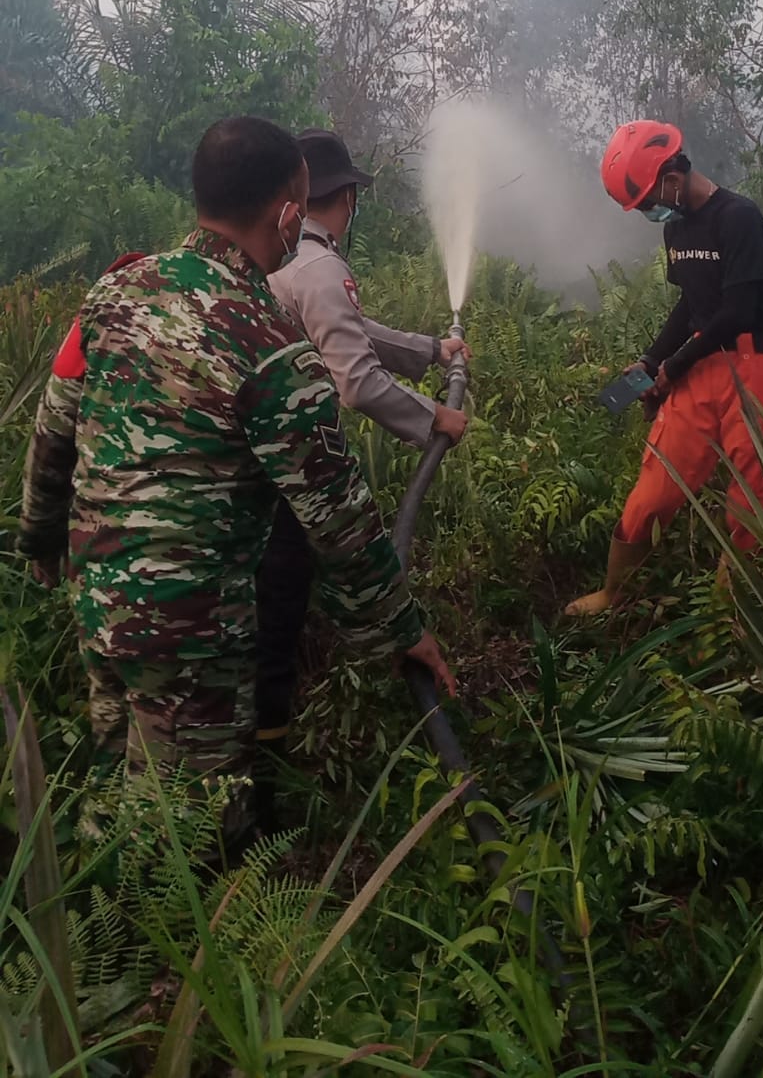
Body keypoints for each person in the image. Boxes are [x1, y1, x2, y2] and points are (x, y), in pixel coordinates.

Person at [18, 116, 454, 845]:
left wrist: (39, 532)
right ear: (289, 210)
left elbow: (54, 420)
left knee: (115, 777)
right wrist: (402, 632)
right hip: (192, 631)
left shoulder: (116, 290)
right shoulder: (269, 345)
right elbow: (338, 517)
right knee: (196, 831)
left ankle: (87, 930)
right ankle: (172, 950)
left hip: (97, 601)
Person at [257, 127, 469, 799]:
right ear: (343, 198)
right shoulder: (318, 267)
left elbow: (352, 328)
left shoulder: (289, 265)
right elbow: (356, 379)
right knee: (281, 593)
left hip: (249, 465)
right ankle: (267, 770)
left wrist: (430, 351)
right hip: (283, 473)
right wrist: (431, 416)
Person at [566, 119, 763, 617]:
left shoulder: (739, 218)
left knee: (753, 500)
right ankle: (613, 592)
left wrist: (674, 365)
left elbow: (738, 309)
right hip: (701, 362)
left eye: (650, 197)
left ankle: (732, 619)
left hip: (757, 365)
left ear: (672, 175)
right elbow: (690, 305)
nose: (650, 210)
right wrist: (653, 360)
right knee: (655, 486)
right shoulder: (676, 227)